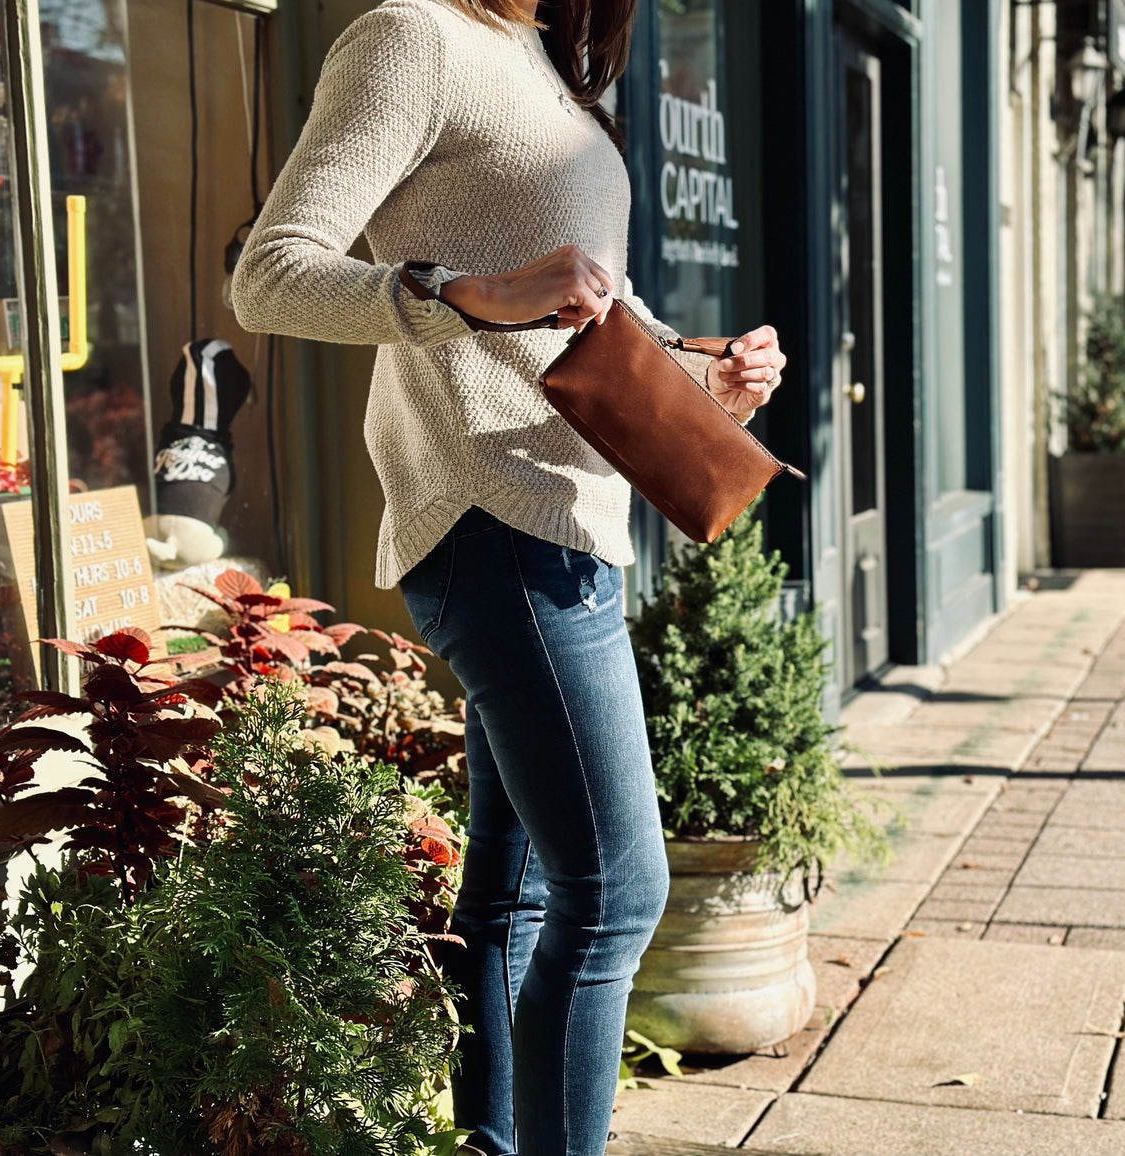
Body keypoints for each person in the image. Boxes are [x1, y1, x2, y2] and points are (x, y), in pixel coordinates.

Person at [229, 1, 785, 1152]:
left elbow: (579, 313)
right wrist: (458, 291)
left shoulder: (540, 59)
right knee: (614, 898)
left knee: (519, 900)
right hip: (499, 529)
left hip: (565, 526)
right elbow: (269, 277)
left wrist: (704, 378)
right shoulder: (410, 38)